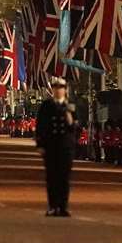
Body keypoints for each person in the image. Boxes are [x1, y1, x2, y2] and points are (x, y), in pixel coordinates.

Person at [36, 77, 77, 216]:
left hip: (66, 147)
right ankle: (53, 206)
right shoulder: (46, 106)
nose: (58, 90)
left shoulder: (70, 106)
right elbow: (40, 126)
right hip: (51, 146)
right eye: (55, 88)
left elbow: (76, 127)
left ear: (65, 90)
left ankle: (63, 206)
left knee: (64, 178)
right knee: (52, 177)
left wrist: (70, 119)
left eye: (61, 88)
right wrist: (40, 145)